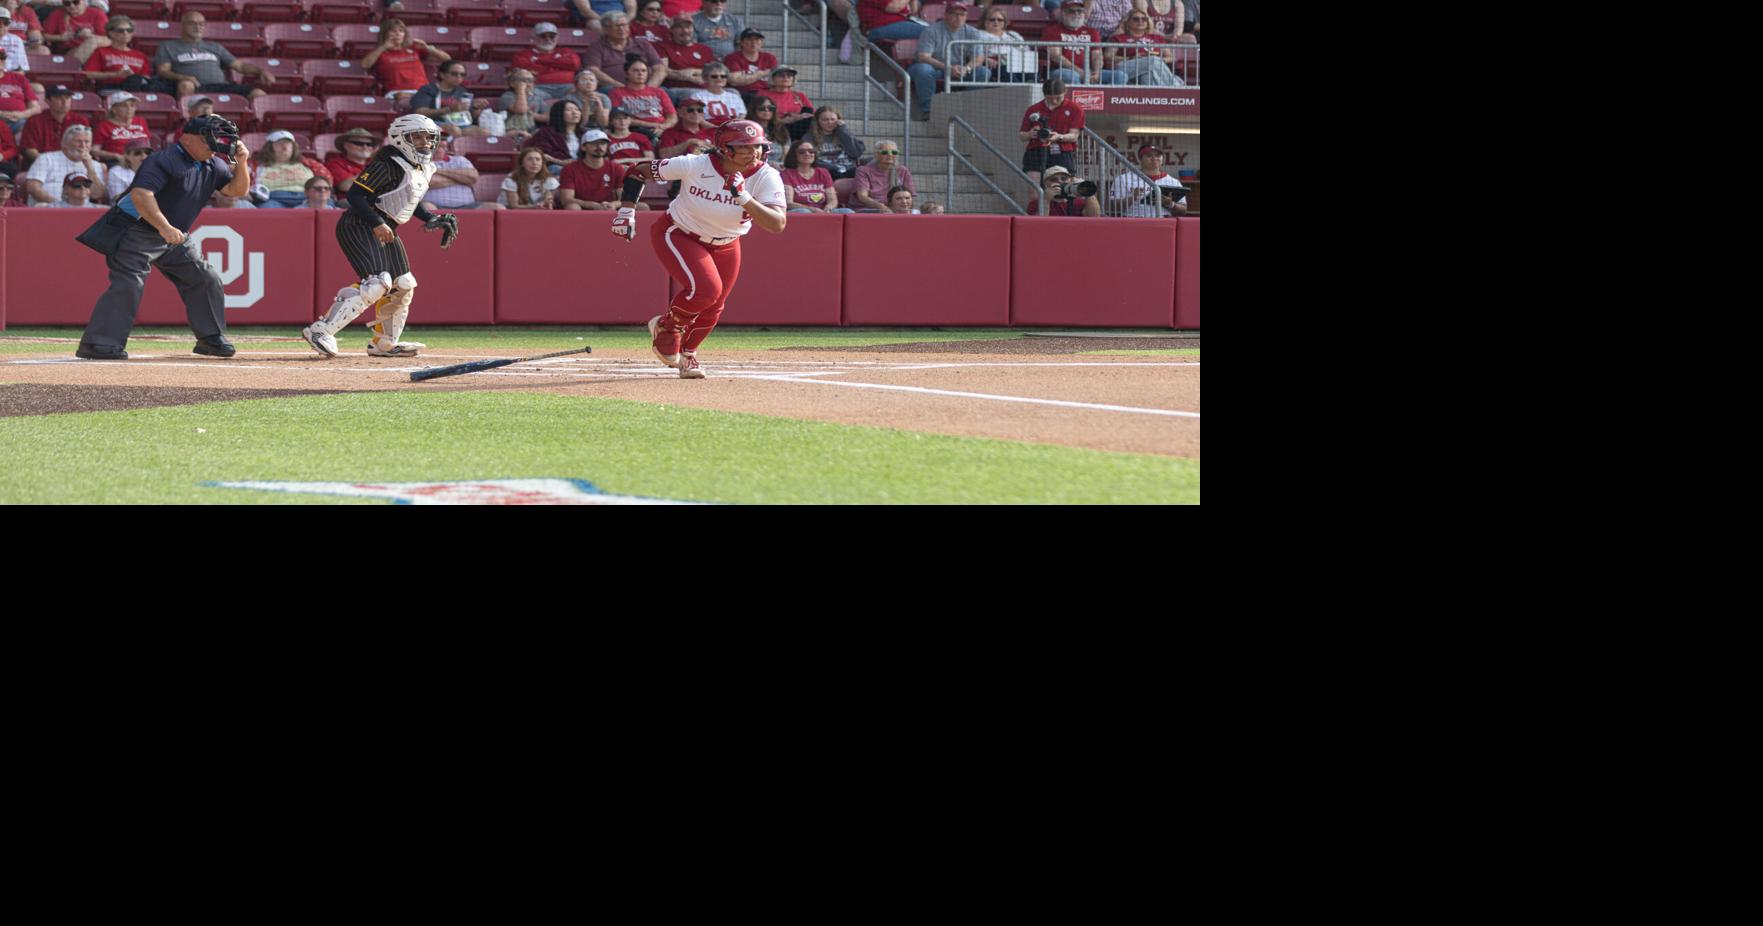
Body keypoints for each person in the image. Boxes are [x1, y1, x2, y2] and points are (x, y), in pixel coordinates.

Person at [611, 118, 786, 379]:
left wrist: (744, 197)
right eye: (745, 147)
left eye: (758, 146)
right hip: (679, 232)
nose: (754, 152)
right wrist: (626, 211)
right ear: (726, 148)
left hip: (727, 241)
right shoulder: (696, 164)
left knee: (715, 305)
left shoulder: (766, 175)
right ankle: (667, 327)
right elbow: (638, 171)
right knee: (707, 290)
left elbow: (777, 224)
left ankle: (688, 353)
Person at [74, 114, 248, 360]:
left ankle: (211, 338)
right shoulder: (164, 160)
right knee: (129, 283)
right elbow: (141, 195)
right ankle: (99, 344)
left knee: (205, 277)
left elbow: (235, 190)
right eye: (209, 139)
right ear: (188, 139)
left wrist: (242, 162)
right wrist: (165, 227)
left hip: (174, 235)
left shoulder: (214, 163)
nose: (216, 145)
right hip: (136, 229)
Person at [301, 113, 459, 359]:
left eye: (429, 137)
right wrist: (376, 223)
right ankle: (321, 330)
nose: (425, 143)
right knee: (378, 282)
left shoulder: (422, 167)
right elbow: (355, 195)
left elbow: (409, 199)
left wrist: (431, 219)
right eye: (417, 137)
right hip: (359, 224)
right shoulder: (387, 164)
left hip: (385, 227)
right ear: (400, 138)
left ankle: (384, 343)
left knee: (404, 284)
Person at [153, 11, 274, 100]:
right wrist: (183, 77)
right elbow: (163, 71)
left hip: (221, 86)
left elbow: (240, 66)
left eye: (201, 24)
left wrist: (261, 71)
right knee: (186, 85)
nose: (198, 26)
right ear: (183, 25)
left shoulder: (214, 46)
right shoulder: (168, 46)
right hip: (196, 87)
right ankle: (188, 123)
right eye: (192, 23)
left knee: (258, 94)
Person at [908, 1, 987, 120]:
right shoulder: (931, 30)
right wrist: (947, 67)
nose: (958, 17)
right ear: (945, 15)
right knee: (923, 69)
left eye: (962, 14)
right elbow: (923, 56)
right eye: (955, 14)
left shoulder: (973, 32)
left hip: (960, 69)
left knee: (983, 72)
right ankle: (928, 111)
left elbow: (979, 58)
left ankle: (968, 111)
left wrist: (967, 68)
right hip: (936, 68)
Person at [362, 17, 450, 104]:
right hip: (399, 93)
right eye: (393, 31)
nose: (397, 34)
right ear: (385, 34)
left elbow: (446, 58)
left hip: (422, 90)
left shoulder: (414, 49)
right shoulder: (380, 52)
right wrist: (383, 47)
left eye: (401, 31)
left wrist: (427, 48)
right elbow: (365, 65)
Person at [1019, 77, 1082, 189]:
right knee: (1035, 190)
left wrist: (1059, 137)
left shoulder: (1075, 109)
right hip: (1036, 151)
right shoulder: (1033, 109)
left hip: (1062, 151)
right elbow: (1022, 136)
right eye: (1049, 98)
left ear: (1065, 92)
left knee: (1062, 190)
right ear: (1044, 95)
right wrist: (1030, 134)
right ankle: (1038, 207)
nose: (1054, 101)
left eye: (1058, 98)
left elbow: (1074, 136)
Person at [1043, 0, 1124, 86]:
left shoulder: (1092, 32)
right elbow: (1055, 56)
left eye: (1080, 11)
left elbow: (1097, 55)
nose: (1076, 14)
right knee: (1071, 76)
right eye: (1071, 11)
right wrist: (1079, 71)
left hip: (1088, 71)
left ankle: (1103, 98)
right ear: (1063, 14)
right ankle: (1080, 98)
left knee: (1120, 76)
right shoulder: (1052, 30)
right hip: (1060, 70)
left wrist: (1096, 72)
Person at [558, 128, 642, 210]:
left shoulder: (616, 168)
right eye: (594, 143)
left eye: (603, 143)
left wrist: (614, 204)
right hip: (583, 209)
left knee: (642, 207)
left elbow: (625, 198)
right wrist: (593, 205)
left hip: (609, 208)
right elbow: (566, 199)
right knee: (572, 207)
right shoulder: (570, 169)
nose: (599, 147)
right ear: (583, 147)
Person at [580, 15, 663, 95]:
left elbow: (660, 68)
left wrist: (648, 89)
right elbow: (593, 70)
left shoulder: (642, 44)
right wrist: (623, 88)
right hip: (612, 88)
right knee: (608, 91)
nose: (621, 29)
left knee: (673, 92)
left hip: (646, 88)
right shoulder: (596, 47)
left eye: (624, 25)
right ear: (605, 29)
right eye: (617, 26)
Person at [23, 122, 102, 204]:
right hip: (47, 209)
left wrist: (90, 167)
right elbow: (33, 188)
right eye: (78, 141)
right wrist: (59, 205)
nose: (83, 145)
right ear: (65, 144)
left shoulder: (95, 165)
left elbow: (96, 195)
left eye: (87, 142)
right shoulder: (46, 159)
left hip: (80, 211)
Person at [254, 128, 332, 207]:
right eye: (279, 143)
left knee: (327, 204)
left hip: (308, 198)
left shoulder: (310, 164)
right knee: (268, 208)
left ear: (293, 147)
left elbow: (327, 179)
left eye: (288, 143)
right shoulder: (257, 166)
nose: (284, 146)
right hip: (273, 198)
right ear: (270, 147)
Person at [513, 22, 584, 103]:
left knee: (582, 92)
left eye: (552, 36)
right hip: (538, 87)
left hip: (567, 87)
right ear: (534, 38)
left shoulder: (566, 51)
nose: (548, 39)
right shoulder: (524, 54)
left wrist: (541, 61)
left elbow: (574, 64)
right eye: (543, 36)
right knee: (527, 94)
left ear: (557, 38)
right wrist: (560, 65)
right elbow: (525, 68)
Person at [410, 60, 483, 137]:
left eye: (462, 74)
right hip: (432, 123)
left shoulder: (462, 91)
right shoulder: (429, 89)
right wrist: (449, 109)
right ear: (442, 75)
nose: (459, 77)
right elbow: (420, 112)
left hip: (458, 123)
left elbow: (470, 117)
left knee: (482, 132)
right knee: (454, 130)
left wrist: (475, 108)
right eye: (454, 74)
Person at [1107, 9, 1180, 86]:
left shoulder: (1157, 38)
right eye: (1136, 19)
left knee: (1147, 76)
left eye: (1144, 19)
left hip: (1151, 68)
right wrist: (1131, 58)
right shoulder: (1118, 38)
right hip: (1125, 67)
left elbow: (1171, 57)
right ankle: (1177, 87)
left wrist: (1160, 61)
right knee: (1153, 60)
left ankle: (1152, 97)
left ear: (1148, 22)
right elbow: (1108, 57)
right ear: (1127, 22)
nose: (1140, 21)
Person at [1108, 143, 1186, 216]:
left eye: (1158, 155)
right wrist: (1132, 198)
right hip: (1133, 219)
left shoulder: (1173, 182)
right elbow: (1111, 206)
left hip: (1163, 221)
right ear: (1140, 159)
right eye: (1149, 155)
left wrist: (1170, 204)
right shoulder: (1123, 179)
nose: (1154, 158)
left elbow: (1183, 210)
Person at [79, 15, 151, 92]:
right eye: (121, 30)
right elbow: (88, 74)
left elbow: (146, 77)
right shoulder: (101, 51)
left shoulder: (141, 55)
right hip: (111, 89)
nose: (125, 33)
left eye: (129, 30)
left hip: (135, 91)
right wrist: (116, 74)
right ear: (111, 33)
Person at [422, 134, 491, 210]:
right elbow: (430, 182)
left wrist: (436, 170)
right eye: (437, 146)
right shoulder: (421, 162)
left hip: (469, 206)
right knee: (426, 207)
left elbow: (473, 177)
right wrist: (462, 179)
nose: (440, 150)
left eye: (443, 147)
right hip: (436, 206)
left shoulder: (459, 160)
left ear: (447, 149)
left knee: (497, 207)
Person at [18, 83, 84, 162]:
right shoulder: (34, 121)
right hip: (41, 164)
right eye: (59, 98)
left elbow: (84, 147)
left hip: (71, 162)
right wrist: (50, 163)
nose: (64, 101)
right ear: (47, 101)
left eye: (67, 97)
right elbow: (30, 150)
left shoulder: (80, 120)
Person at [781, 139, 851, 213]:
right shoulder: (787, 174)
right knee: (804, 212)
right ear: (794, 154)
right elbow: (789, 203)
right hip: (801, 212)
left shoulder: (823, 172)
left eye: (811, 151)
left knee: (848, 211)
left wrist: (828, 208)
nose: (807, 154)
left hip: (823, 211)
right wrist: (812, 209)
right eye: (802, 152)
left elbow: (832, 200)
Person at [657, 15, 714, 102]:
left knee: (733, 92)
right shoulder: (663, 46)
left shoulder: (705, 49)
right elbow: (664, 71)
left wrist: (693, 71)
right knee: (693, 94)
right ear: (671, 30)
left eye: (688, 27)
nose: (685, 31)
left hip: (706, 90)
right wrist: (690, 78)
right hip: (677, 89)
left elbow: (714, 71)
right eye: (680, 27)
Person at [975, 6, 1035, 84]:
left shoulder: (1013, 34)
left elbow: (1026, 50)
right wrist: (985, 59)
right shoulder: (978, 35)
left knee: (1031, 74)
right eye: (992, 19)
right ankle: (1020, 92)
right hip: (996, 65)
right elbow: (973, 53)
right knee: (1007, 72)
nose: (996, 22)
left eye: (1000, 20)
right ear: (984, 21)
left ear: (1004, 22)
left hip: (1018, 64)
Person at [799, 105, 861, 179]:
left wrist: (843, 131)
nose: (829, 122)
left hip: (850, 169)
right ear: (817, 121)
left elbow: (856, 153)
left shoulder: (844, 134)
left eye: (833, 119)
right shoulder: (809, 138)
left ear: (838, 120)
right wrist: (833, 168)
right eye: (825, 120)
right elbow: (811, 160)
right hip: (827, 172)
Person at [756, 65, 814, 141]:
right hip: (772, 129)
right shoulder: (762, 94)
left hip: (796, 130)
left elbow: (812, 114)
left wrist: (798, 117)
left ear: (793, 79)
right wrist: (784, 120)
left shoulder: (799, 96)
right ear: (773, 78)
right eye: (781, 75)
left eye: (789, 75)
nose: (785, 78)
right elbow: (756, 115)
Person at [850, 138, 909, 211]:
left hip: (893, 209)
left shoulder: (903, 170)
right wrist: (882, 208)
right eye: (885, 152)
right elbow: (862, 196)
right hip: (867, 209)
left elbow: (910, 195)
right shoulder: (863, 170)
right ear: (876, 154)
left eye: (894, 152)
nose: (890, 155)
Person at [90, 90, 149, 163]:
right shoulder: (104, 126)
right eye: (124, 106)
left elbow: (147, 144)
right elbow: (94, 151)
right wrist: (116, 156)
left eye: (132, 105)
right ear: (114, 109)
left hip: (142, 161)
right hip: (118, 162)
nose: (129, 109)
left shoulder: (140, 121)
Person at [528, 98, 588, 169]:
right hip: (557, 167)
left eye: (577, 109)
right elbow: (542, 155)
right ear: (559, 113)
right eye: (569, 110)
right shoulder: (546, 132)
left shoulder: (585, 134)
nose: (575, 112)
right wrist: (560, 162)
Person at [324, 126, 378, 198]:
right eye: (358, 143)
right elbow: (346, 186)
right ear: (346, 145)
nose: (365, 147)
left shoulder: (376, 163)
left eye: (369, 144)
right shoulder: (334, 164)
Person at [1027, 164, 1099, 215]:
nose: (1060, 182)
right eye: (1053, 179)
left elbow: (1094, 216)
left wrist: (1088, 191)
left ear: (1070, 180)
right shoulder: (1036, 203)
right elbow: (1037, 223)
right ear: (1045, 184)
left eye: (1064, 179)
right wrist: (1046, 199)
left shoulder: (1078, 202)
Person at [722, 27, 775, 91]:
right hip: (742, 93)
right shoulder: (732, 58)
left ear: (761, 43)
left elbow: (776, 80)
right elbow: (735, 81)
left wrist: (746, 78)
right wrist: (762, 74)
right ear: (741, 43)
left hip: (766, 92)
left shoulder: (769, 58)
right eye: (750, 39)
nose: (754, 42)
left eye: (757, 39)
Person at [493, 68, 539, 138]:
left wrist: (533, 115)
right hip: (511, 131)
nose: (528, 84)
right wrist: (521, 90)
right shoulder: (507, 96)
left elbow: (547, 116)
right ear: (512, 83)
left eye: (531, 81)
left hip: (531, 130)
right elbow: (521, 110)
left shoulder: (536, 97)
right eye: (523, 81)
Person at [0, 63, 39, 134]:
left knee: (32, 125)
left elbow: (36, 108)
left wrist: (21, 114)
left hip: (20, 120)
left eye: (3, 58)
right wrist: (1, 114)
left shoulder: (19, 78)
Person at [0, 8, 25, 75]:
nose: (2, 26)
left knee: (37, 86)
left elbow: (21, 71)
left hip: (11, 78)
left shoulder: (16, 40)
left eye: (6, 22)